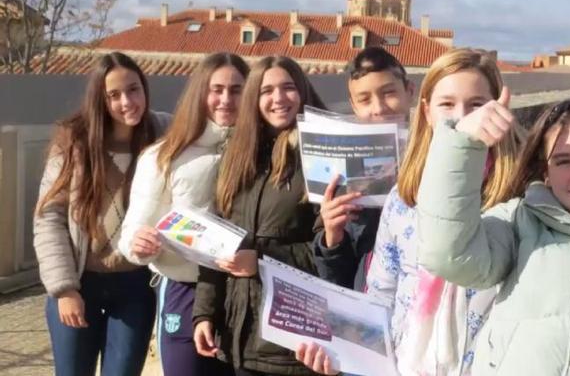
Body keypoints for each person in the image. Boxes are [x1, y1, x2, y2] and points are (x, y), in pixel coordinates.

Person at [297, 48, 521, 375]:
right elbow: (381, 296)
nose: (463, 116)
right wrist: (345, 355)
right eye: (447, 104)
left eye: (476, 104)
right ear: (427, 111)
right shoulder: (402, 198)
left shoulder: (519, 197)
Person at [415, 93, 570, 375]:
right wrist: (462, 144)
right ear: (545, 171)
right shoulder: (517, 221)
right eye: (564, 161)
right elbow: (448, 255)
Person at [33, 52, 170, 376]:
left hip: (136, 285)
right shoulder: (74, 141)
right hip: (81, 282)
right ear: (100, 99)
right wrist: (64, 289)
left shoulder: (165, 132)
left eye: (134, 89)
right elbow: (48, 218)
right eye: (114, 95)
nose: (128, 102)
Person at [192, 56, 326, 376]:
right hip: (238, 337)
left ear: (303, 92)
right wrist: (204, 314)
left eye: (288, 87)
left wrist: (263, 260)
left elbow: (330, 253)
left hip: (294, 345)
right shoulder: (237, 158)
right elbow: (217, 244)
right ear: (255, 98)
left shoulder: (319, 155)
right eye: (267, 90)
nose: (278, 98)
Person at [118, 53, 248, 376]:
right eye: (216, 89)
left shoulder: (264, 153)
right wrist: (139, 243)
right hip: (183, 291)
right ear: (199, 92)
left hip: (246, 293)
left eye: (236, 89)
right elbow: (133, 231)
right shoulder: (163, 156)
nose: (225, 99)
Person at [312, 47, 415, 292]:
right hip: (367, 306)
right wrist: (332, 237)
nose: (378, 108)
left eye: (389, 93)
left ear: (409, 91)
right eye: (365, 99)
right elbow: (339, 279)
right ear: (354, 106)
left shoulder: (437, 154)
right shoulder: (345, 173)